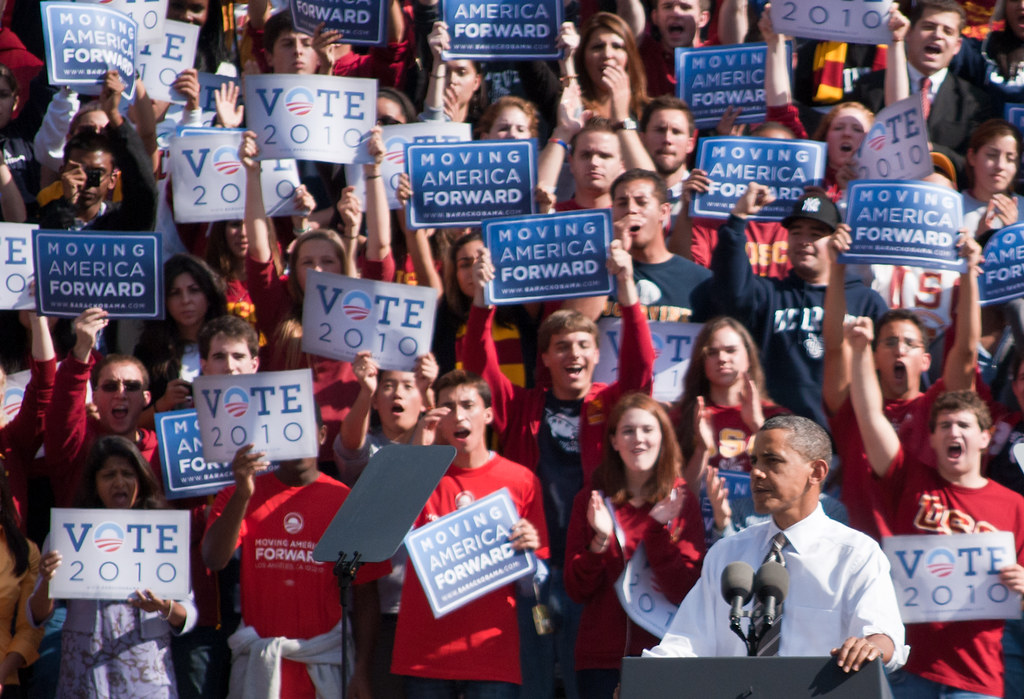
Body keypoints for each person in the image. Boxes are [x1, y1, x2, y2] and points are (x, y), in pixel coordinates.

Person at [463, 218, 654, 699]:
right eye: (561, 346)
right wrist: (484, 301)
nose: (573, 353)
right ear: (544, 358)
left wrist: (627, 288)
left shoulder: (612, 403)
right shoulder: (524, 405)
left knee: (583, 673)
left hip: (592, 559)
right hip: (533, 561)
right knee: (534, 675)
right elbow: (475, 362)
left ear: (596, 355)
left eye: (583, 345)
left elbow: (642, 365)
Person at [645, 415, 908, 673]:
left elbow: (884, 637)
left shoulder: (855, 555)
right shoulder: (727, 553)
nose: (757, 472)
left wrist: (871, 646)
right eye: (755, 461)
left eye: (773, 461)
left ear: (816, 472)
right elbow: (686, 642)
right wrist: (644, 679)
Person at [847, 317, 1024, 698]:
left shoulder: (1015, 507)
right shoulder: (907, 479)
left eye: (963, 425)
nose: (953, 433)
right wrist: (861, 352)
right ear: (931, 437)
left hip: (978, 678)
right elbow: (868, 415)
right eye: (943, 426)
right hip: (910, 670)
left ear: (985, 436)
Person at [202, 416, 390, 698]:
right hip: (259, 666)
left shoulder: (348, 502)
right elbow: (214, 560)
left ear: (323, 434)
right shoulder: (239, 494)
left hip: (323, 669)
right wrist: (243, 494)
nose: (293, 440)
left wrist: (362, 670)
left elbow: (365, 594)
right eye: (284, 432)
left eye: (302, 430)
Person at [391, 370, 548, 698]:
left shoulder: (521, 480)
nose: (458, 415)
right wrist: (416, 460)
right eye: (447, 407)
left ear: (488, 414)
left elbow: (536, 585)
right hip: (424, 656)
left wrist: (529, 554)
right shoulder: (418, 475)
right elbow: (387, 540)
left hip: (492, 657)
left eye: (467, 405)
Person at [30, 436, 198, 698]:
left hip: (147, 680)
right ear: (94, 484)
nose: (119, 482)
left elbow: (188, 612)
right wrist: (48, 580)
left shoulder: (163, 535)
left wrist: (164, 607)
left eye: (127, 474)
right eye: (109, 475)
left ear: (140, 481)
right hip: (84, 678)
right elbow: (38, 615)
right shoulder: (67, 536)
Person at [708, 186, 888, 427]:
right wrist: (738, 218)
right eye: (796, 232)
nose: (803, 241)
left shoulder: (866, 301)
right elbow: (730, 290)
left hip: (843, 439)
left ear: (837, 238)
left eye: (815, 233)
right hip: (776, 433)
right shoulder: (770, 293)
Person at [564, 393, 704, 697]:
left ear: (663, 438)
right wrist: (599, 542)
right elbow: (576, 590)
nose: (637, 439)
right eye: (627, 431)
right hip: (600, 661)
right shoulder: (591, 500)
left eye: (647, 430)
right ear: (613, 441)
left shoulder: (681, 502)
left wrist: (656, 533)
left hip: (665, 656)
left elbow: (686, 591)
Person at [39, 71, 157, 232]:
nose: (86, 181)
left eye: (97, 172)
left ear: (112, 179)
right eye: (78, 171)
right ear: (62, 172)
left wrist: (114, 116)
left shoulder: (122, 221)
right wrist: (68, 204)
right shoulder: (47, 214)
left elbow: (144, 191)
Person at [134, 255, 228, 427]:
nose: (186, 300)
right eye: (175, 293)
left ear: (209, 295)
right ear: (164, 301)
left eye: (194, 290)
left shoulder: (231, 346)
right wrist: (164, 403)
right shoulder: (148, 353)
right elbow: (131, 425)